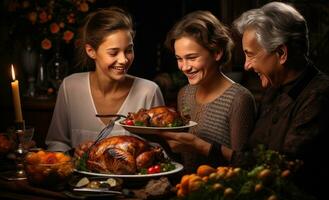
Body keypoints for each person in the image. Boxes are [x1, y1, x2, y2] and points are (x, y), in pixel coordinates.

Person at [233, 2, 329, 199]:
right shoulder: (273, 89)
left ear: (281, 53)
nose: (246, 65)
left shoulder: (320, 96)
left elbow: (286, 173)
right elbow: (252, 153)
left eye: (250, 55)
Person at [46, 7, 165, 152]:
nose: (123, 60)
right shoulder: (70, 87)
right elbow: (57, 143)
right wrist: (73, 153)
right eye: (113, 52)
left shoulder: (149, 91)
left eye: (129, 50)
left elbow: (159, 151)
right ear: (91, 51)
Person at [158, 10, 256, 173]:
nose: (184, 67)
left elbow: (244, 165)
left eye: (192, 57)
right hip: (185, 188)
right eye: (179, 59)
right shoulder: (184, 94)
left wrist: (200, 146)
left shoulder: (239, 99)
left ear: (217, 52)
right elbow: (183, 159)